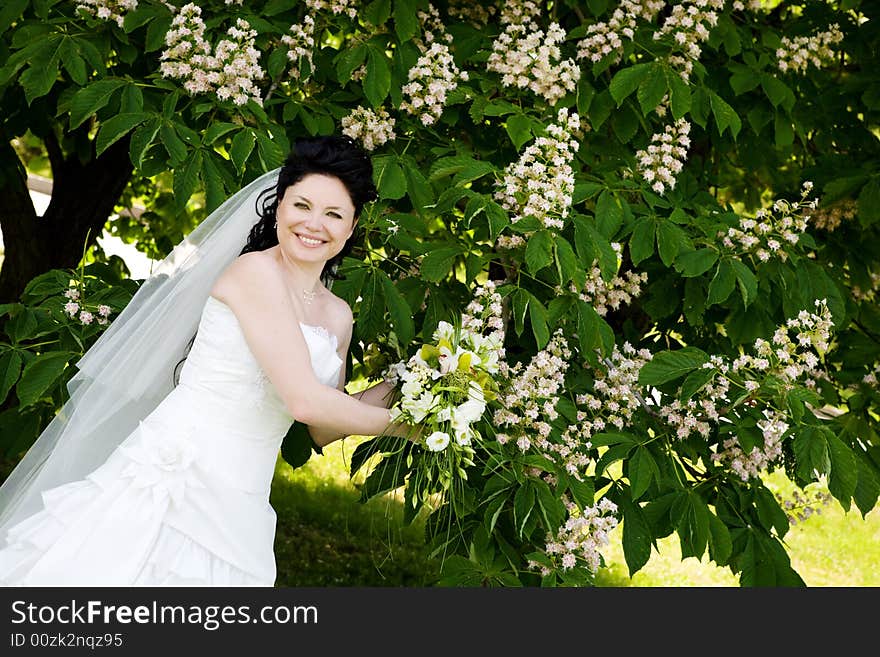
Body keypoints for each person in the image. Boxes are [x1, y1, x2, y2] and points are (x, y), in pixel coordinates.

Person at [0, 135, 415, 586]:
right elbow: (304, 402)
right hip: (179, 482)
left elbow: (322, 427)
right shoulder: (254, 273)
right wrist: (405, 427)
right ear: (279, 207)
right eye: (302, 205)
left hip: (243, 500)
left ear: (351, 227)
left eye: (334, 214)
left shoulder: (338, 315)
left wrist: (412, 387)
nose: (314, 224)